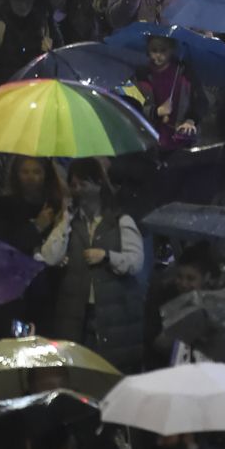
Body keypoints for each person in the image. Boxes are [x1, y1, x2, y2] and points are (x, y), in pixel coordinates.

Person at [38, 159, 145, 372]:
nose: (78, 191)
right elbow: (49, 257)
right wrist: (65, 220)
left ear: (98, 185)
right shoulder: (70, 223)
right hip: (77, 314)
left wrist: (107, 256)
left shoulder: (120, 221)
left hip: (115, 313)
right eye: (74, 185)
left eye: (83, 184)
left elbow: (135, 261)